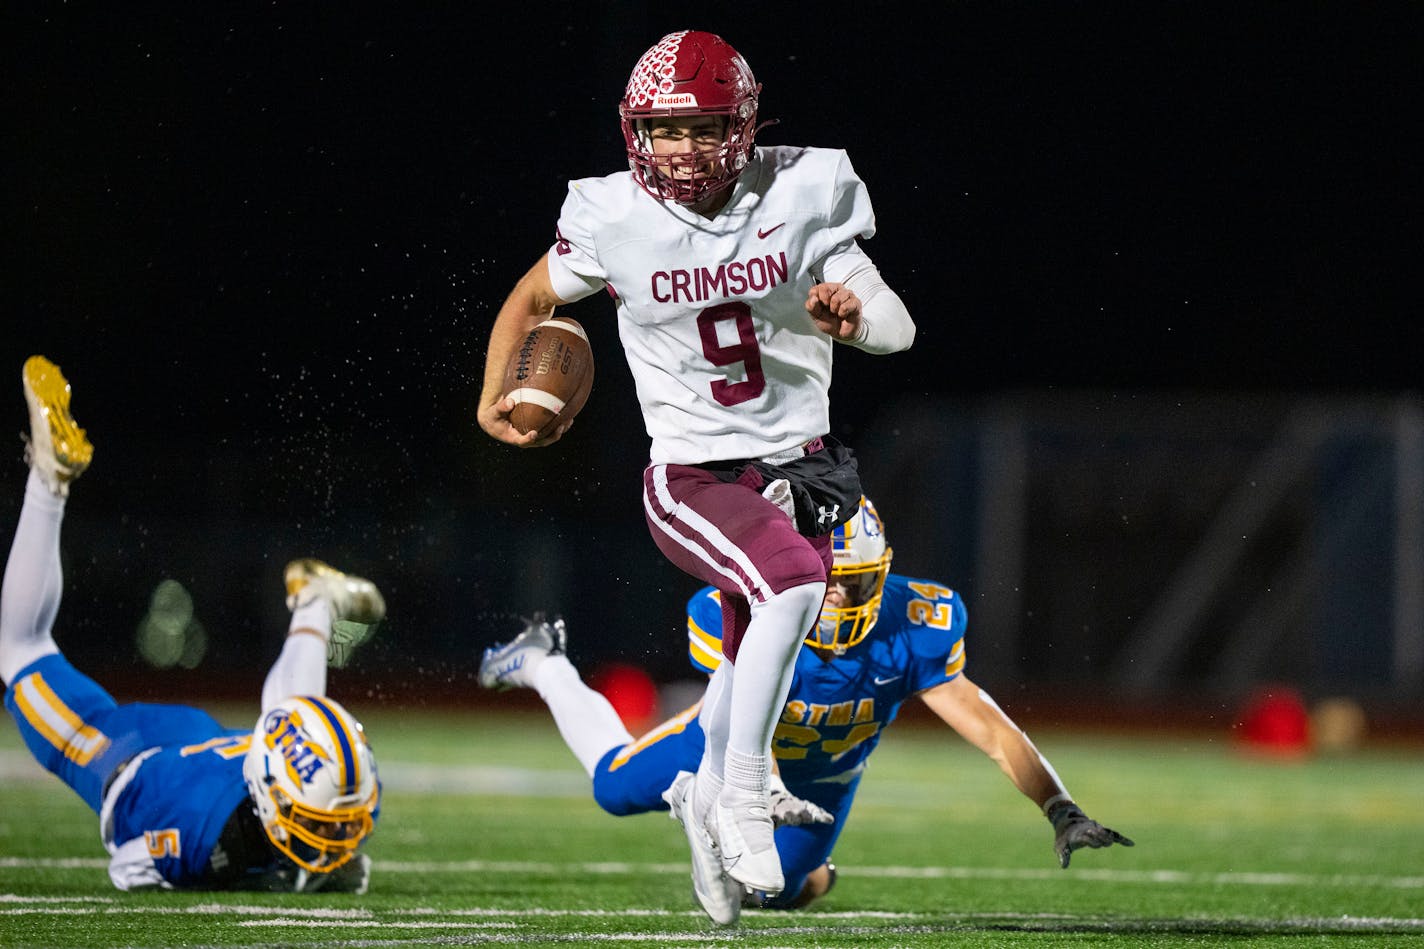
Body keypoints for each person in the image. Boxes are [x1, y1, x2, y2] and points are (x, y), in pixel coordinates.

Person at [476, 29, 916, 903]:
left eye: (703, 127)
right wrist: (492, 394)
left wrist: (854, 318)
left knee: (758, 644)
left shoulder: (804, 188)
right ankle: (744, 791)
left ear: (744, 125)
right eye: (663, 130)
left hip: (806, 472)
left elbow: (898, 324)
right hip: (696, 476)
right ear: (636, 132)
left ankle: (708, 788)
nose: (681, 149)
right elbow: (533, 296)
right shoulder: (614, 215)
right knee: (791, 585)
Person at [479, 497, 1133, 924]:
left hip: (824, 780)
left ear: (885, 573)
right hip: (725, 746)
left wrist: (1059, 805)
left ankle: (808, 869)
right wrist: (745, 790)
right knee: (611, 786)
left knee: (781, 891)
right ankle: (543, 662)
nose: (844, 596)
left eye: (859, 580)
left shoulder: (915, 624)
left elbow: (989, 725)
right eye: (833, 579)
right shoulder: (747, 607)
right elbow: (732, 712)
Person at [3, 355, 385, 892]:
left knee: (283, 721)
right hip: (126, 757)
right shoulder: (201, 838)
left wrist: (297, 862)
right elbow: (129, 867)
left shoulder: (261, 791)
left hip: (214, 753)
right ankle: (49, 480)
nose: (341, 837)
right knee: (20, 653)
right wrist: (269, 875)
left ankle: (315, 606)